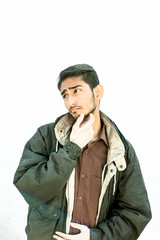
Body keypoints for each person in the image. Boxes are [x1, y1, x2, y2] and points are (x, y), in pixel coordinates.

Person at [13, 64, 152, 240]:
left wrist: (95, 237)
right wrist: (72, 149)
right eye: (65, 95)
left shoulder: (120, 150)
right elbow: (28, 188)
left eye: (76, 91)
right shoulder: (46, 136)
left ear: (98, 92)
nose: (70, 101)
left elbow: (135, 213)